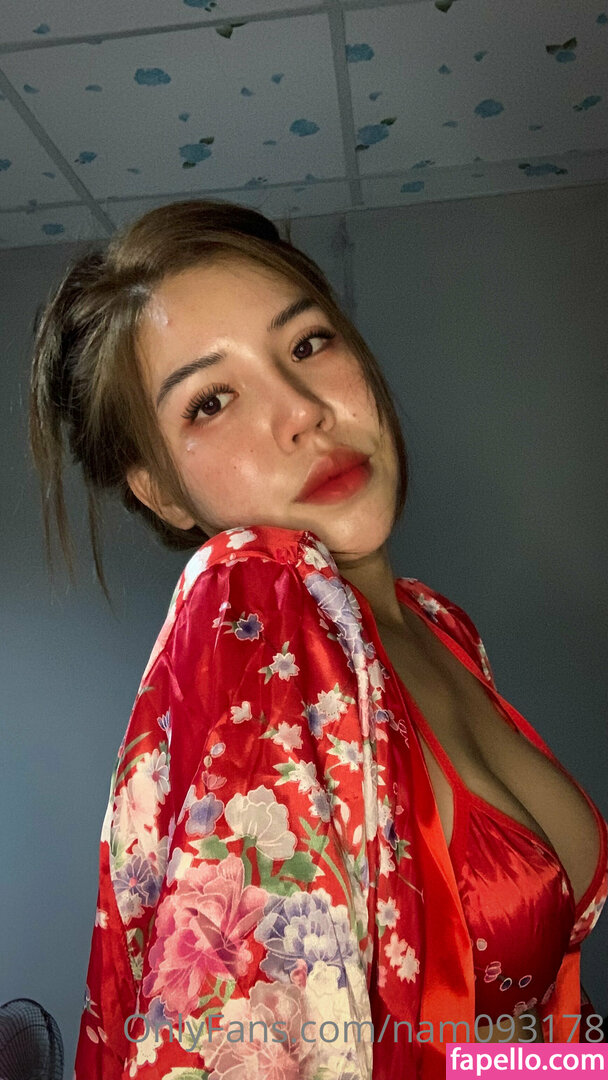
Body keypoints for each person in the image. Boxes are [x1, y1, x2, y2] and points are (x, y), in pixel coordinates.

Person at [28, 200, 607, 1080]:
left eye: (307, 344)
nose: (302, 412)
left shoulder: (442, 627)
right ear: (162, 492)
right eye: (211, 401)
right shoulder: (247, 596)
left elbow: (498, 1047)